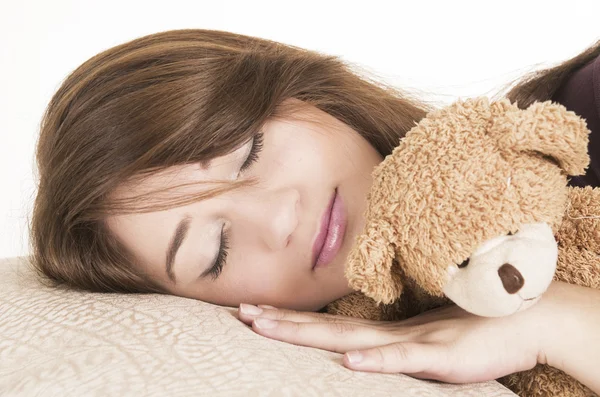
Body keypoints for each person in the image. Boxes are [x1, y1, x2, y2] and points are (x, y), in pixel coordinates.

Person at [30, 29, 600, 393]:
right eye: (216, 251)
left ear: (308, 94)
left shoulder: (576, 116)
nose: (278, 219)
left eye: (248, 150)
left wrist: (559, 318)